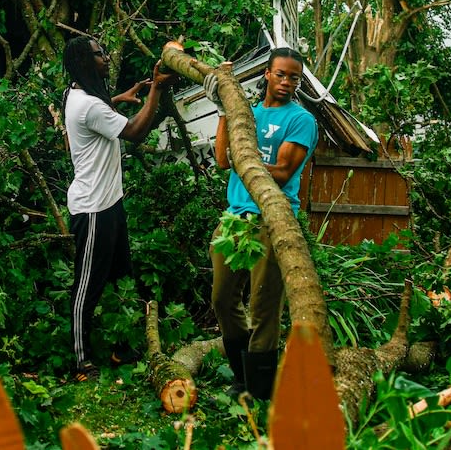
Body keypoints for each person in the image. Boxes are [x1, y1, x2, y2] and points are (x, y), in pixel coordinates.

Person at [203, 46, 318, 400]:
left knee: (264, 305)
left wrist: (247, 158)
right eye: (280, 74)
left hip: (273, 219)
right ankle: (241, 372)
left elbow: (282, 173)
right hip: (234, 218)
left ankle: (261, 389)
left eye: (294, 77)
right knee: (222, 298)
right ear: (266, 74)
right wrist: (224, 111)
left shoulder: (301, 120)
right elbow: (223, 160)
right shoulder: (246, 115)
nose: (286, 82)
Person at [62, 35, 176, 380]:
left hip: (110, 202)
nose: (105, 58)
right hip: (94, 207)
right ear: (85, 62)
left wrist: (121, 97)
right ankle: (80, 360)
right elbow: (136, 130)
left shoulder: (76, 93)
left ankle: (123, 348)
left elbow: (96, 110)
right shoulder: (89, 106)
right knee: (88, 283)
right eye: (99, 54)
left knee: (123, 277)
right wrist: (154, 89)